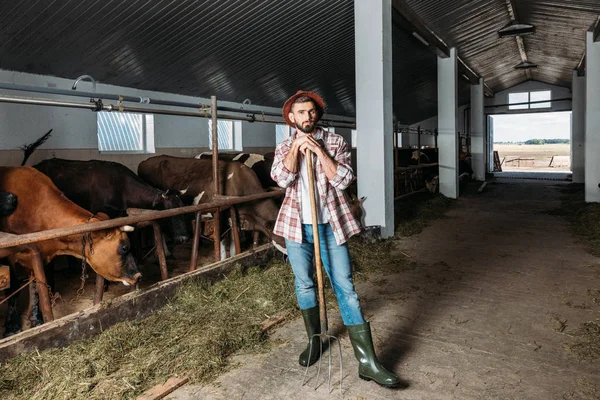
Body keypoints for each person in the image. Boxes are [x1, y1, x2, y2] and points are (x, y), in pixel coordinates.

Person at [270, 90, 401, 388]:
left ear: (317, 114)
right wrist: (295, 150)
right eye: (301, 113)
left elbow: (343, 180)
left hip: (330, 225)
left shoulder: (336, 142)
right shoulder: (283, 146)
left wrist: (319, 152)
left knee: (346, 287)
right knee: (304, 283)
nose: (307, 117)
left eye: (311, 111)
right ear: (292, 118)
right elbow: (280, 179)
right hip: (296, 227)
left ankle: (367, 362)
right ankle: (314, 340)